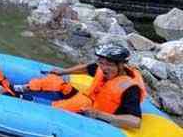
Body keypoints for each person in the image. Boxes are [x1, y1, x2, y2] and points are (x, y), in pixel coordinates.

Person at [12, 44, 145, 129]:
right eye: (101, 63)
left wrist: (100, 114)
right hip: (88, 101)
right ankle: (16, 90)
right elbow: (87, 69)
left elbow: (135, 122)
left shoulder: (130, 89)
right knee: (54, 81)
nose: (103, 68)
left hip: (97, 118)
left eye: (108, 65)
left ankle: (31, 108)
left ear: (121, 65)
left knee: (62, 108)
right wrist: (63, 72)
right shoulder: (101, 68)